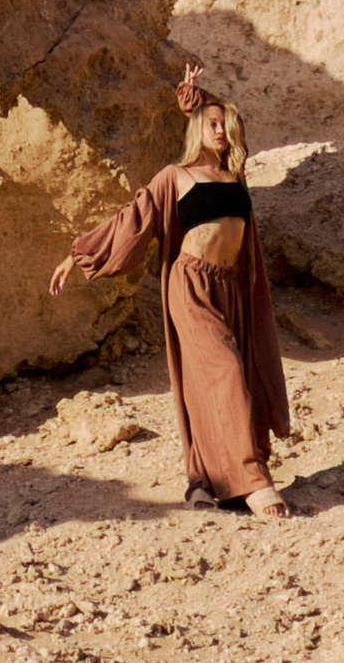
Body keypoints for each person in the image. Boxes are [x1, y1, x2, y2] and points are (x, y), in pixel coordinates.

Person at [50, 67, 292, 515]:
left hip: (232, 289)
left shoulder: (235, 178)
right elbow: (130, 221)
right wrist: (76, 257)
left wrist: (203, 100)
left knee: (222, 381)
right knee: (225, 373)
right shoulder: (175, 176)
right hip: (193, 286)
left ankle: (206, 482)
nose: (220, 130)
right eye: (212, 123)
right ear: (197, 128)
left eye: (226, 124)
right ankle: (254, 481)